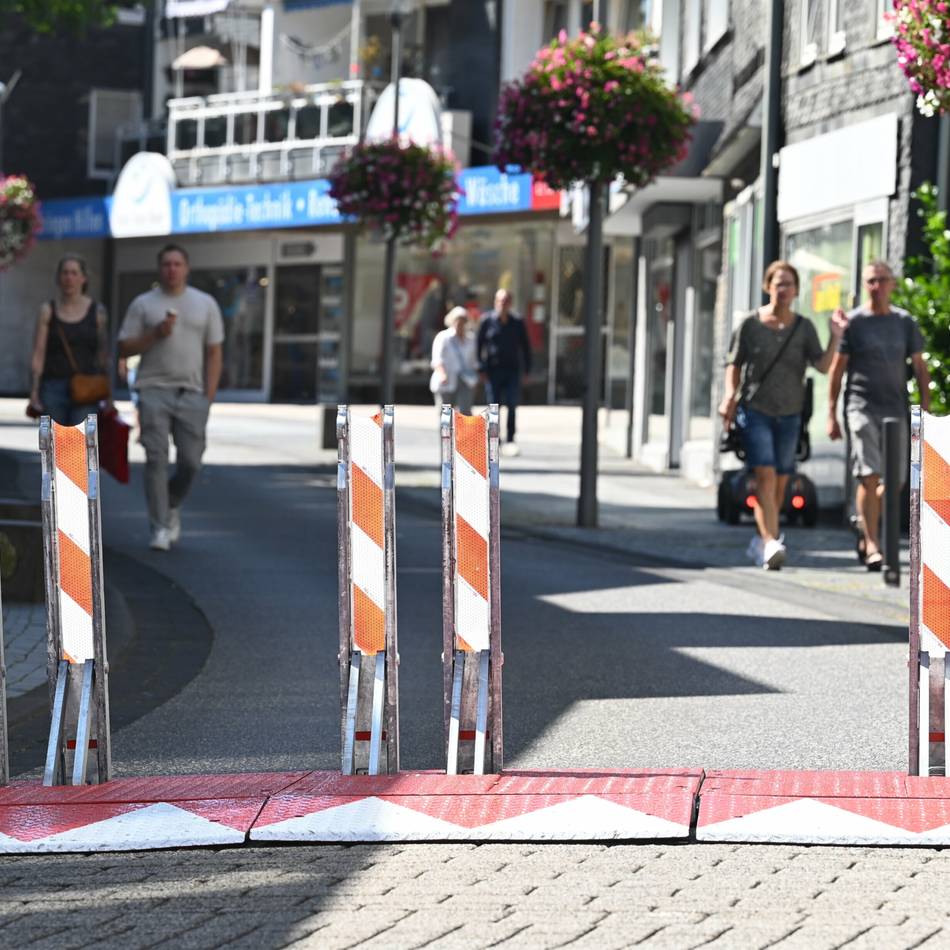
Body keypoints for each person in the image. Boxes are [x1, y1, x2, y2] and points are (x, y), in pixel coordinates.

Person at [719, 261, 847, 570]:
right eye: (778, 283)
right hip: (756, 410)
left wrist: (836, 337)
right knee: (765, 474)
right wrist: (729, 397)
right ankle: (771, 542)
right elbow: (734, 365)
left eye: (789, 284)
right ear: (768, 287)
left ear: (796, 290)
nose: (783, 289)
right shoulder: (750, 324)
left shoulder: (803, 327)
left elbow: (821, 364)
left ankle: (765, 540)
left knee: (781, 482)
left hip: (791, 414)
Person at [117, 244, 224, 552]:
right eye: (166, 264)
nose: (172, 269)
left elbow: (215, 351)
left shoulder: (205, 304)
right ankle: (160, 526)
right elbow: (124, 348)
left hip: (192, 392)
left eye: (177, 264)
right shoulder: (143, 304)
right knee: (156, 459)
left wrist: (209, 395)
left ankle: (172, 502)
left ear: (187, 268)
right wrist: (155, 334)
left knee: (191, 462)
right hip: (152, 390)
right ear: (159, 268)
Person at [827, 260, 931, 571]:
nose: (877, 286)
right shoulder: (854, 323)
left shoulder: (904, 322)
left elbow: (920, 368)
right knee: (869, 474)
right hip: (861, 406)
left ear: (893, 284)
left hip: (895, 408)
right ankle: (872, 543)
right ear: (864, 284)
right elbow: (837, 369)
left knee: (896, 480)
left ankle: (863, 522)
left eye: (883, 280)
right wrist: (831, 413)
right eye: (871, 281)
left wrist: (924, 408)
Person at [29, 254, 110, 425]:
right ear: (58, 278)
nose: (69, 278)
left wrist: (108, 393)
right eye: (65, 273)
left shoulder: (97, 312)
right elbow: (39, 352)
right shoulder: (47, 310)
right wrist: (34, 391)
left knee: (82, 449)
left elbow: (103, 353)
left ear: (83, 278)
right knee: (51, 448)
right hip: (52, 387)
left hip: (87, 388)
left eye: (74, 273)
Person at [477, 288, 532, 454]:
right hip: (493, 370)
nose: (503, 304)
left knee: (512, 405)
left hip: (512, 370)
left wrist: (527, 370)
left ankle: (510, 439)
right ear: (495, 302)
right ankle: (494, 439)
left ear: (510, 303)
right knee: (493, 406)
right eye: (500, 301)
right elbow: (478, 346)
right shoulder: (487, 321)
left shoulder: (517, 322)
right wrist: (480, 367)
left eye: (506, 301)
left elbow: (525, 348)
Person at [430, 306, 478, 415]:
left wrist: (475, 377)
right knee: (446, 415)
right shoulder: (443, 337)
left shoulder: (471, 339)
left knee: (465, 413)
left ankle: (463, 432)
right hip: (446, 380)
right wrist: (442, 374)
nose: (460, 324)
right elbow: (437, 359)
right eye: (457, 320)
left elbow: (474, 361)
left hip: (465, 380)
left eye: (463, 321)